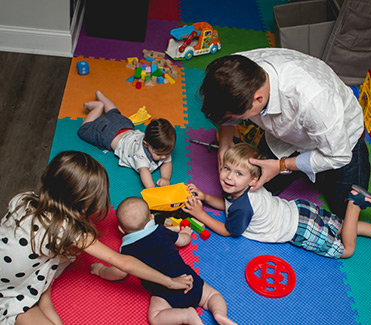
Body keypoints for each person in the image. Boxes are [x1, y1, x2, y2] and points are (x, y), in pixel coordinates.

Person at [0, 151, 193, 325]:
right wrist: (169, 281)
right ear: (78, 203)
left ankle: (42, 294)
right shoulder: (66, 231)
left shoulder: (23, 198)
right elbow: (124, 263)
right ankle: (40, 295)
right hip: (8, 294)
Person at [199, 48, 370, 217]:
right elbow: (226, 111)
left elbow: (339, 156)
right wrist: (225, 142)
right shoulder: (233, 70)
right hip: (285, 135)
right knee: (245, 193)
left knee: (343, 211)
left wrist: (282, 166)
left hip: (339, 141)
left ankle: (335, 164)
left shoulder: (314, 102)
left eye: (235, 116)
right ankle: (307, 167)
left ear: (257, 99)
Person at [182, 143, 371, 259]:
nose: (228, 177)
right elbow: (227, 204)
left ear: (253, 180)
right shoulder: (242, 191)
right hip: (299, 209)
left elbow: (230, 230)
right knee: (341, 227)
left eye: (238, 173)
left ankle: (354, 204)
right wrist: (206, 197)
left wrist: (200, 214)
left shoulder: (242, 206)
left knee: (346, 250)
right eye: (226, 169)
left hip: (301, 229)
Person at [91, 197, 236, 325]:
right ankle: (219, 314)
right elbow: (182, 241)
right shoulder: (161, 231)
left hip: (164, 292)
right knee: (213, 295)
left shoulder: (127, 249)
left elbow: (119, 273)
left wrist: (101, 270)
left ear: (121, 230)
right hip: (188, 278)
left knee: (155, 317)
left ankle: (187, 315)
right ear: (151, 217)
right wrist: (185, 233)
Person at [78, 90, 176, 188]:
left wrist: (165, 178)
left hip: (124, 125)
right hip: (108, 133)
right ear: (145, 144)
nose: (164, 157)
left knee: (113, 112)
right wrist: (152, 190)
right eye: (158, 154)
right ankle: (97, 108)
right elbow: (144, 172)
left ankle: (100, 95)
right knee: (83, 130)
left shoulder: (163, 147)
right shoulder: (141, 155)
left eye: (167, 153)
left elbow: (167, 162)